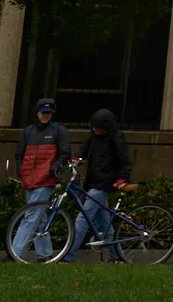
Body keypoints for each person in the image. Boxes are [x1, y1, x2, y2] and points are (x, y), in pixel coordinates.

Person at [60, 106, 133, 262]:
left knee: (83, 219)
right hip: (92, 181)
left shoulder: (117, 138)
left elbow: (125, 160)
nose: (95, 130)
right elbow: (84, 149)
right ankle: (116, 257)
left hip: (104, 183)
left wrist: (123, 178)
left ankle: (68, 256)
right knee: (104, 222)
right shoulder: (94, 135)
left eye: (98, 128)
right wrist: (76, 159)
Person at [8, 99, 72, 259]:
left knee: (31, 216)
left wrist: (53, 169)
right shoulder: (28, 132)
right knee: (39, 218)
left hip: (45, 180)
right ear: (37, 112)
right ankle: (45, 254)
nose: (45, 116)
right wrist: (21, 170)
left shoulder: (58, 130)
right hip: (30, 180)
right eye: (43, 112)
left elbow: (65, 154)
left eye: (48, 113)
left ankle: (14, 253)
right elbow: (19, 154)